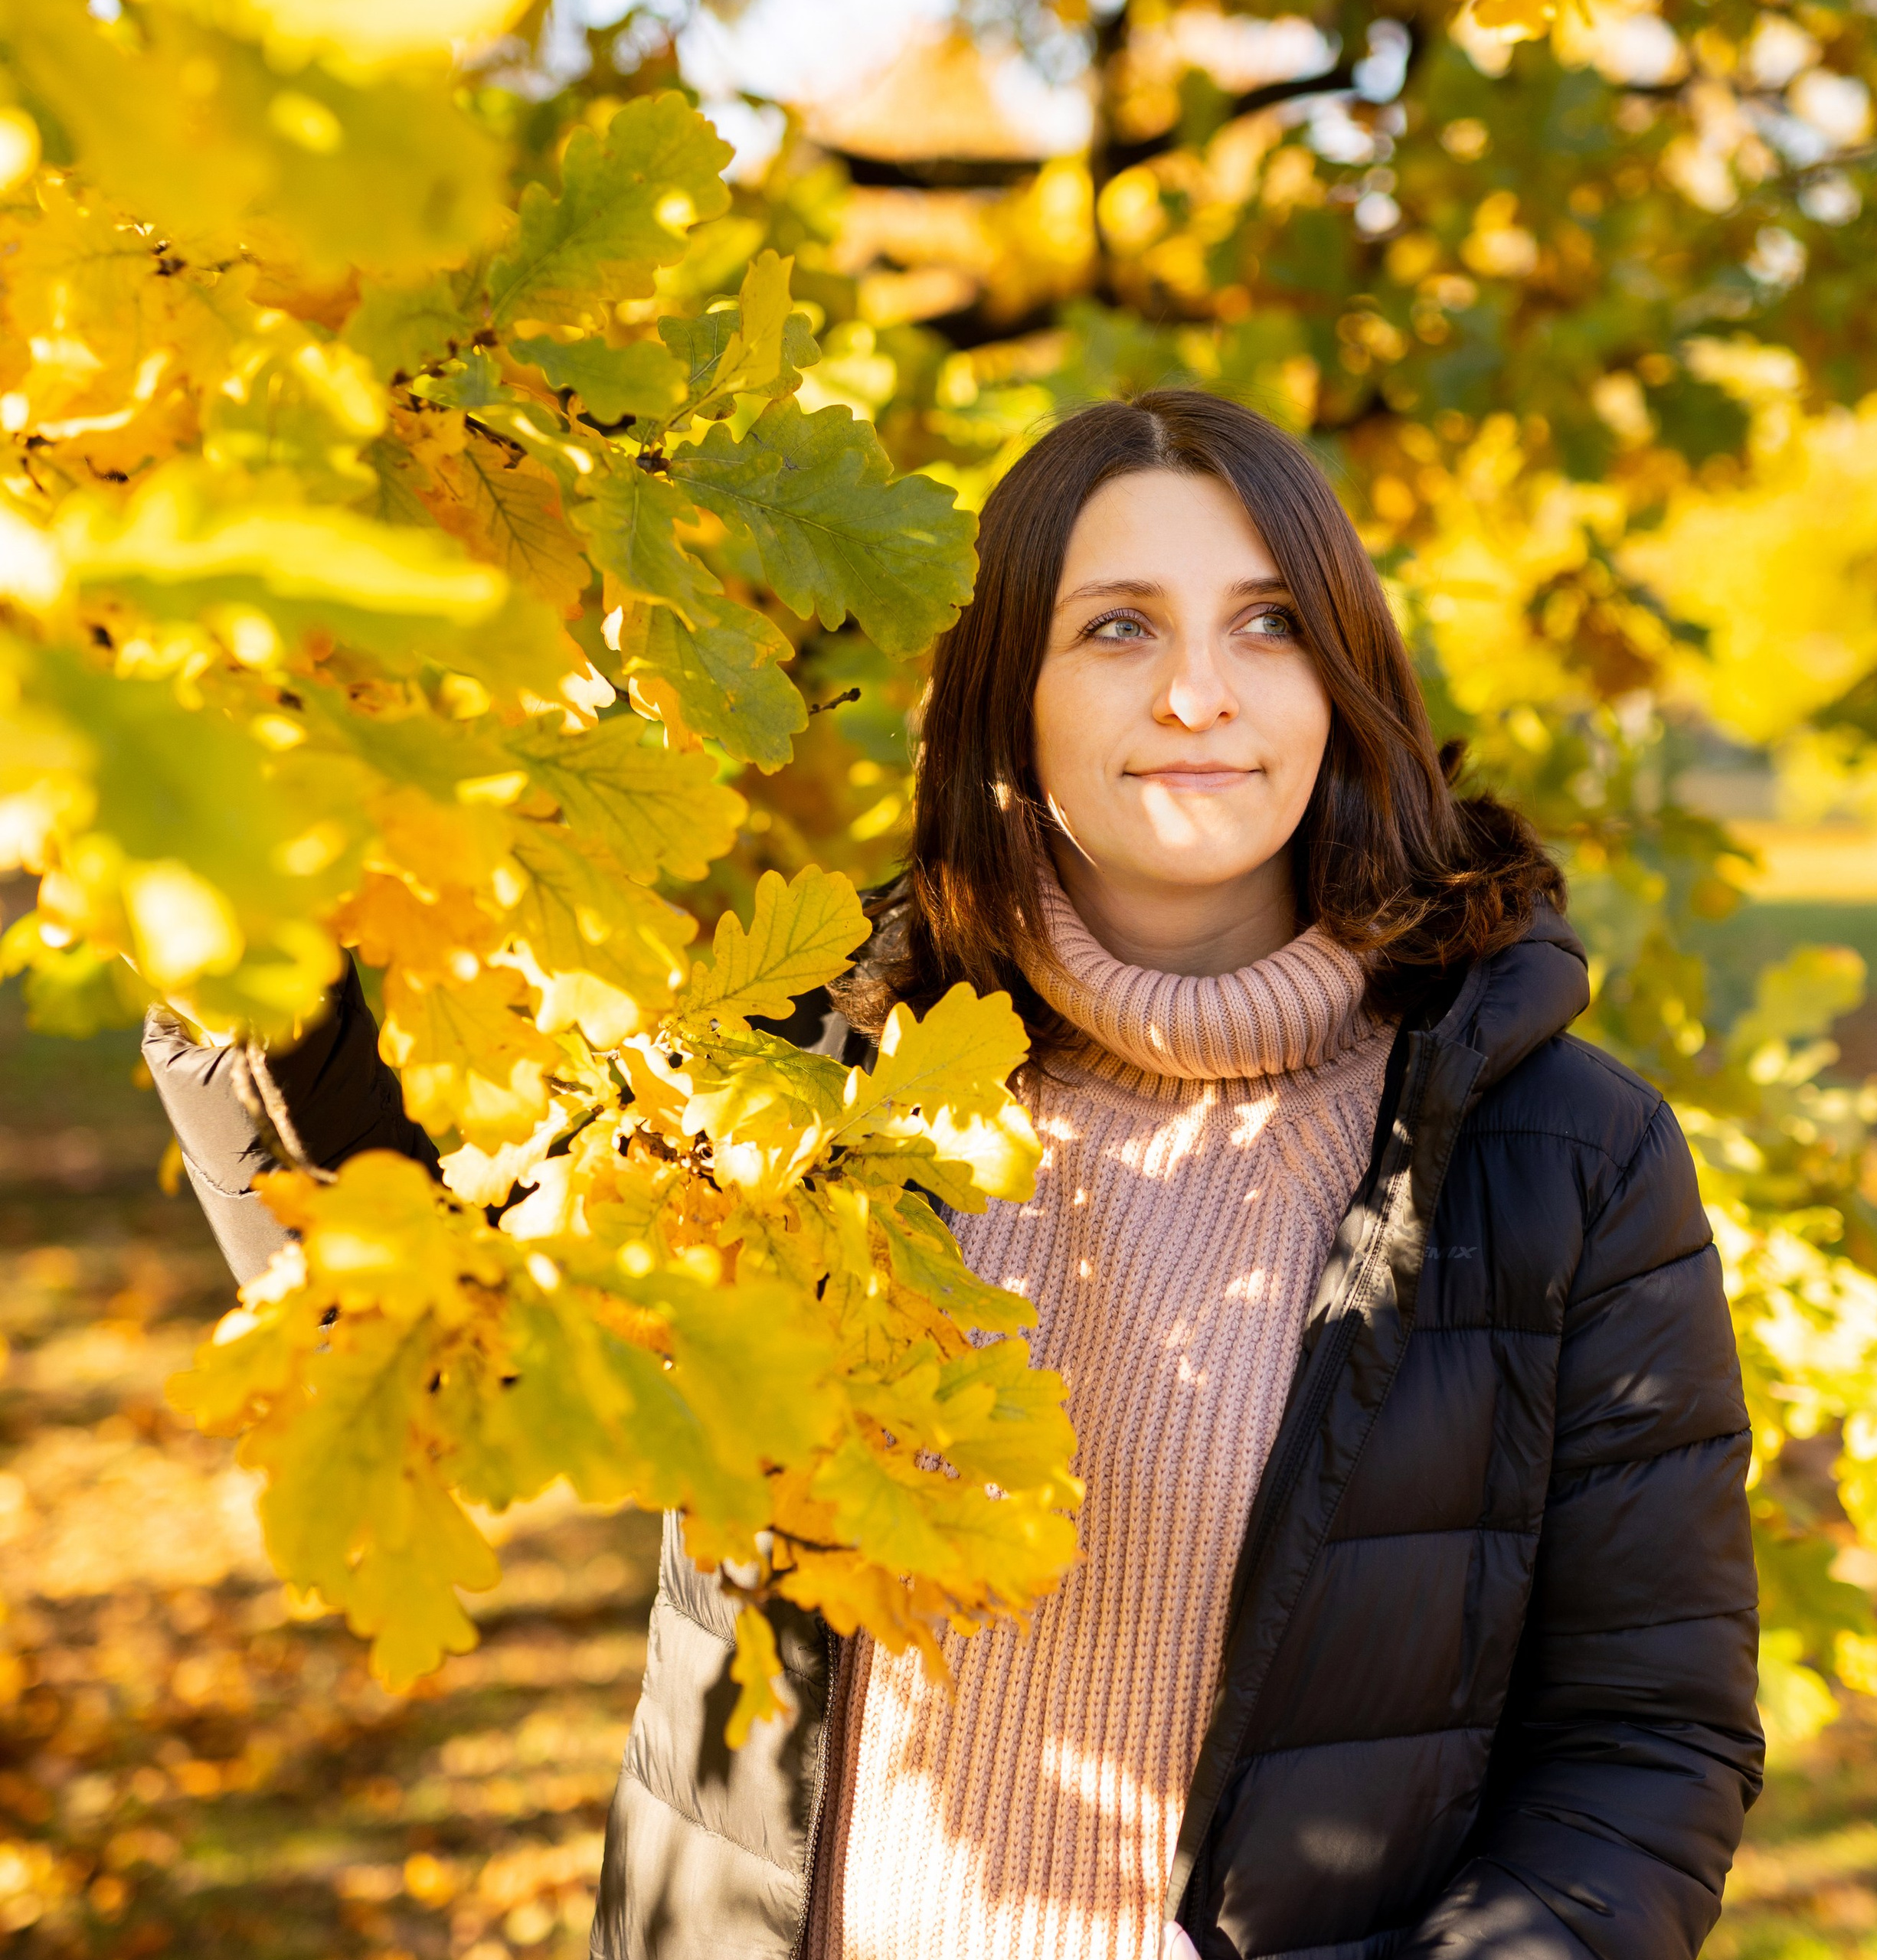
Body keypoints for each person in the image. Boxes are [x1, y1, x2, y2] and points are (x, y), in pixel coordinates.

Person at [147, 390, 1762, 1960]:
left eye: (1267, 624)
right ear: (1006, 695)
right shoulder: (782, 1071)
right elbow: (440, 1334)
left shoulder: (1560, 1153)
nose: (1198, 691)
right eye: (1116, 626)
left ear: (1345, 680)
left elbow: (1641, 1736)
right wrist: (228, 902)